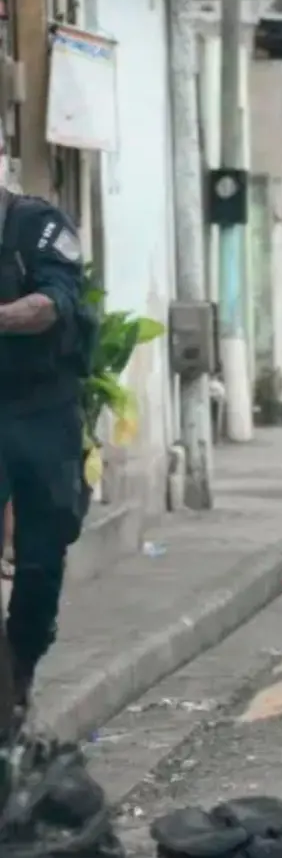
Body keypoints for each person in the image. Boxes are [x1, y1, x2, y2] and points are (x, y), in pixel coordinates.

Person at [0, 186, 95, 722]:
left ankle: (22, 665)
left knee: (40, 555)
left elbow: (51, 304)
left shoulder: (36, 223)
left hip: (42, 407)